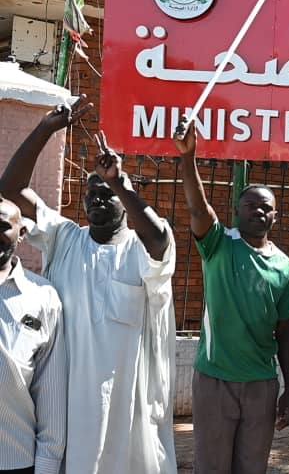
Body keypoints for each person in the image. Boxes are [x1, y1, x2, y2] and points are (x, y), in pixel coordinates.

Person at [0, 97, 178, 473]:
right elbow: (11, 190)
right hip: (67, 409)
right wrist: (45, 129)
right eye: (91, 192)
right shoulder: (64, 238)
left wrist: (118, 182)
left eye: (107, 193)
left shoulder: (142, 247)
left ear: (125, 197)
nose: (98, 198)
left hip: (128, 414)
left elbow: (159, 240)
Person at [173, 121, 289, 473]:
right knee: (212, 467)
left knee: (252, 468)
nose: (258, 211)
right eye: (250, 205)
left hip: (261, 384)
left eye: (265, 207)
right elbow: (198, 210)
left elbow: (286, 330)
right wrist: (188, 157)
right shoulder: (219, 245)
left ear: (275, 216)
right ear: (237, 211)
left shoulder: (285, 266)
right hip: (215, 380)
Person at [0, 197, 65, 474]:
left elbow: (51, 389)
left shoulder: (42, 297)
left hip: (15, 458)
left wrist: (48, 463)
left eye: (2, 226)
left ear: (22, 233)